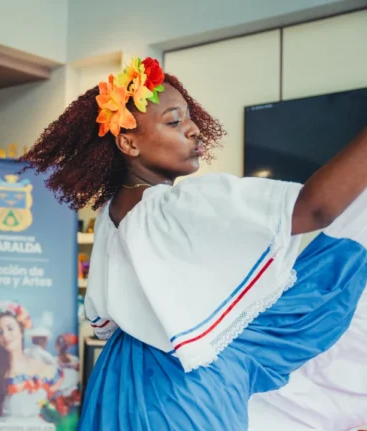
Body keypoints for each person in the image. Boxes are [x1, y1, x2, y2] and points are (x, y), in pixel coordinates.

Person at [19, 55, 367, 430]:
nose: (194, 130)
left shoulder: (112, 215)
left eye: (189, 118)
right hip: (180, 393)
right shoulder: (179, 205)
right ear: (128, 142)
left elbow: (108, 320)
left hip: (120, 383)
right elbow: (315, 208)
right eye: (174, 121)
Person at [0, 301, 64, 424]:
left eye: (10, 328)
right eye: (0, 332)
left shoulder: (41, 367)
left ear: (21, 330)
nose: (5, 335)